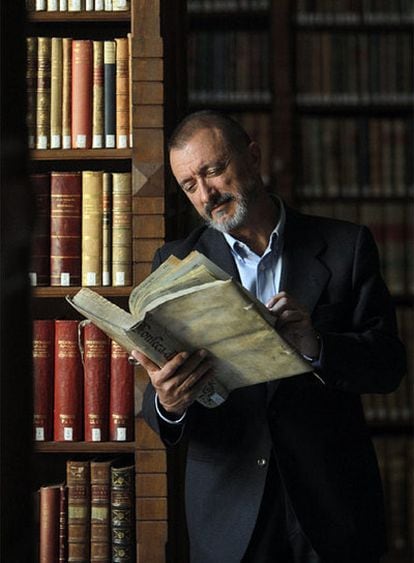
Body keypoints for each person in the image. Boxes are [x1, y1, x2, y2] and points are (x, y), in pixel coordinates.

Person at [131, 110, 406, 563]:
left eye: (214, 170)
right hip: (228, 511)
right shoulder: (175, 263)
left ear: (253, 157)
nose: (207, 194)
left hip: (331, 506)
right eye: (190, 185)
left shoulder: (344, 246)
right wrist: (169, 403)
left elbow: (388, 365)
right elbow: (157, 409)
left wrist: (317, 346)